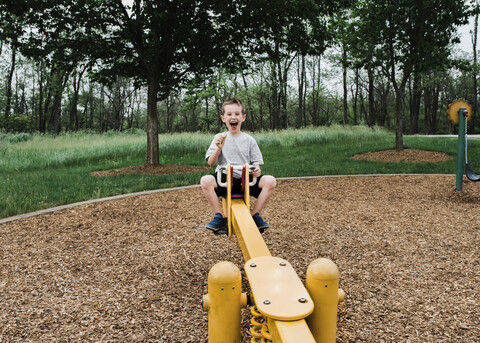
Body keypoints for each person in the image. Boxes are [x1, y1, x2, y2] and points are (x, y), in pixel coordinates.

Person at [200, 97, 276, 233]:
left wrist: (256, 171)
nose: (233, 117)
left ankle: (255, 215)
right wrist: (218, 148)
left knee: (270, 181)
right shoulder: (219, 137)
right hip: (224, 180)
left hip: (245, 180)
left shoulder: (249, 140)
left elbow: (256, 164)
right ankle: (219, 216)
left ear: (243, 117)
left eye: (236, 114)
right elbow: (210, 163)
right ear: (223, 118)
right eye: (229, 114)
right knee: (205, 180)